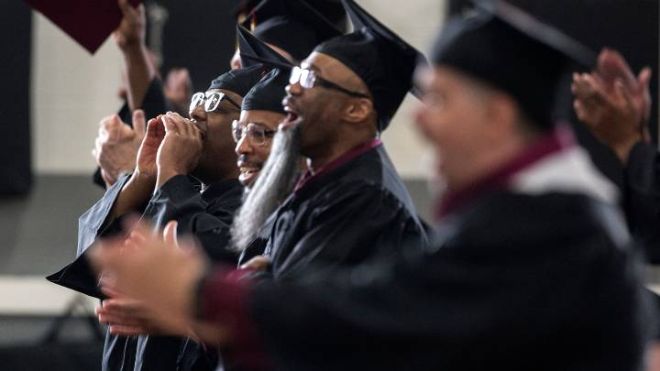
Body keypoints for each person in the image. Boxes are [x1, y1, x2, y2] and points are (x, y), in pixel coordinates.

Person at [91, 1, 652, 370]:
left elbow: (376, 313)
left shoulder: (546, 223)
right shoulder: (529, 210)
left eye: (442, 100)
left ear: (500, 117)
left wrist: (203, 298)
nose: (422, 121)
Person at [48, 65, 266, 371]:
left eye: (216, 104)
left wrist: (172, 175)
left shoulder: (259, 213)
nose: (197, 113)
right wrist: (142, 177)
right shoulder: (175, 194)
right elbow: (101, 264)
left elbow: (207, 258)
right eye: (199, 100)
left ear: (251, 133)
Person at [234, 0, 429, 278]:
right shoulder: (322, 182)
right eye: (298, 73)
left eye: (310, 78)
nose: (292, 87)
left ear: (357, 110)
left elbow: (296, 306)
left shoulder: (365, 197)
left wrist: (261, 280)